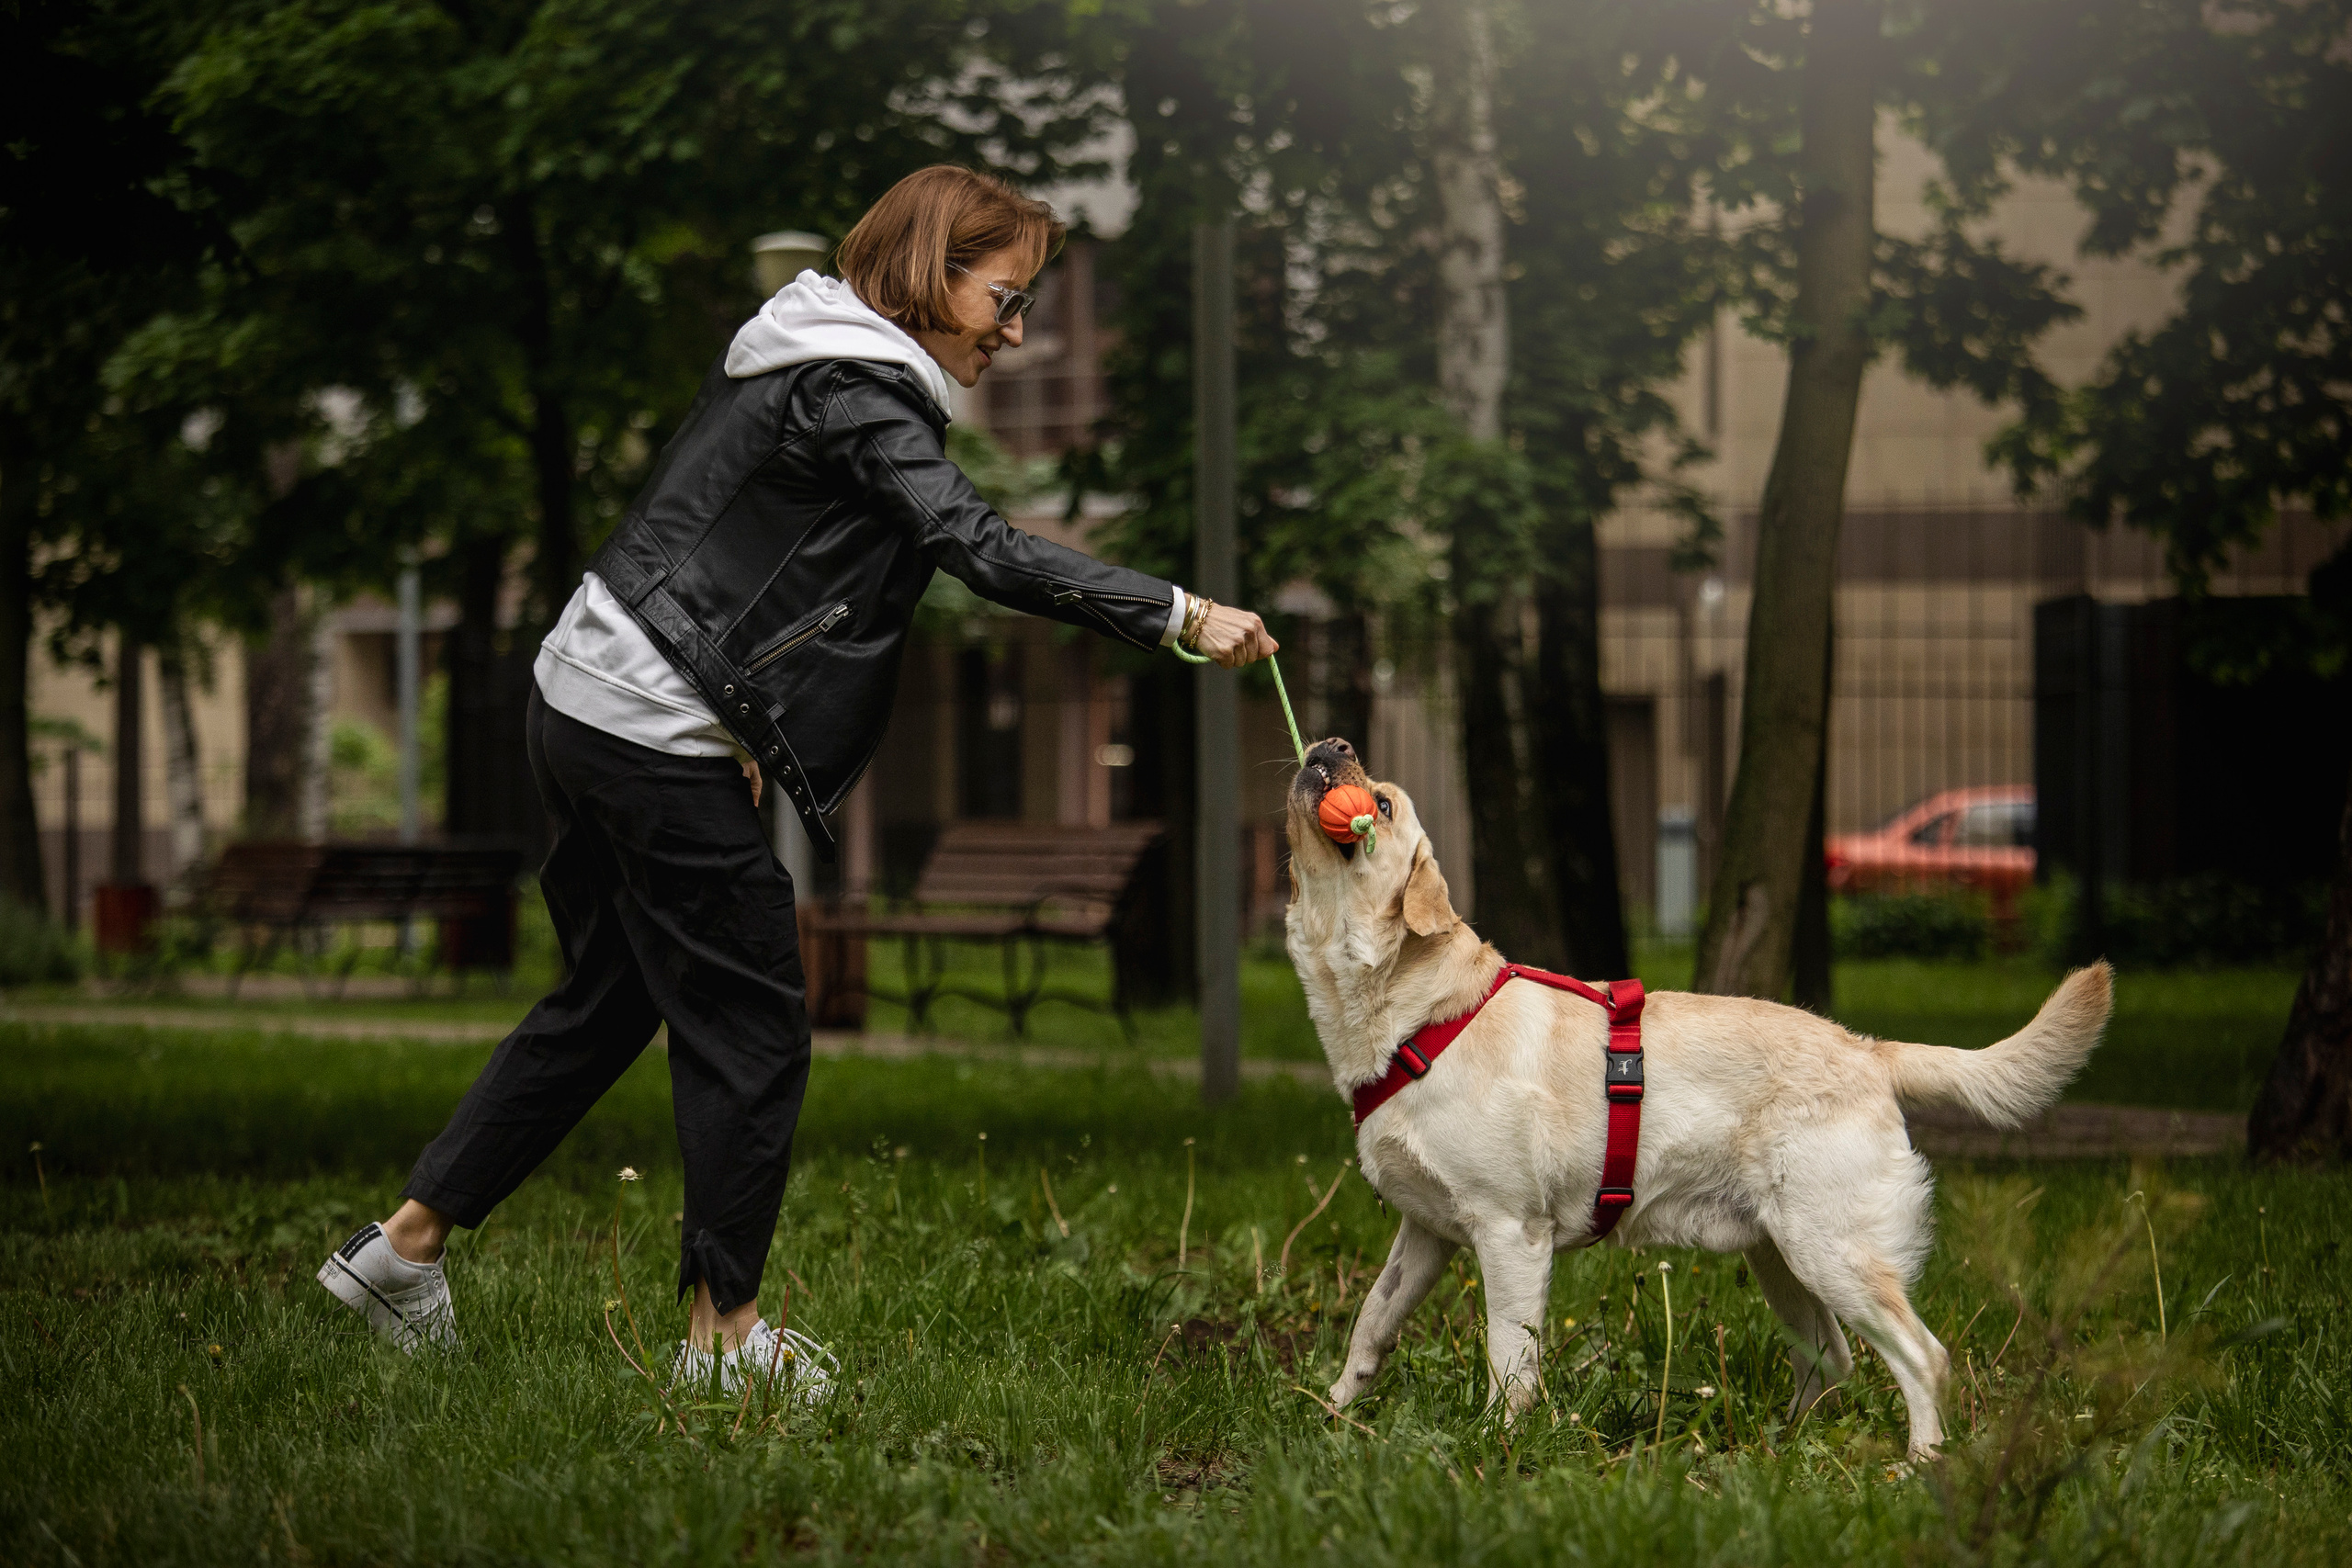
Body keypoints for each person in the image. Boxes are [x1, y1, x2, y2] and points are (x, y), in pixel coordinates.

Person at [316, 165, 1277, 1392]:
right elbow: (973, 548)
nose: (1020, 329)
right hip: (647, 720)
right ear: (933, 276)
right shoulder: (858, 388)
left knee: (611, 999)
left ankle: (403, 1250)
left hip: (597, 698)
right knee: (756, 1020)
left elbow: (747, 553)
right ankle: (724, 1343)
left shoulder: (803, 363)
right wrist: (1178, 613)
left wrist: (740, 729)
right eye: (1006, 296)